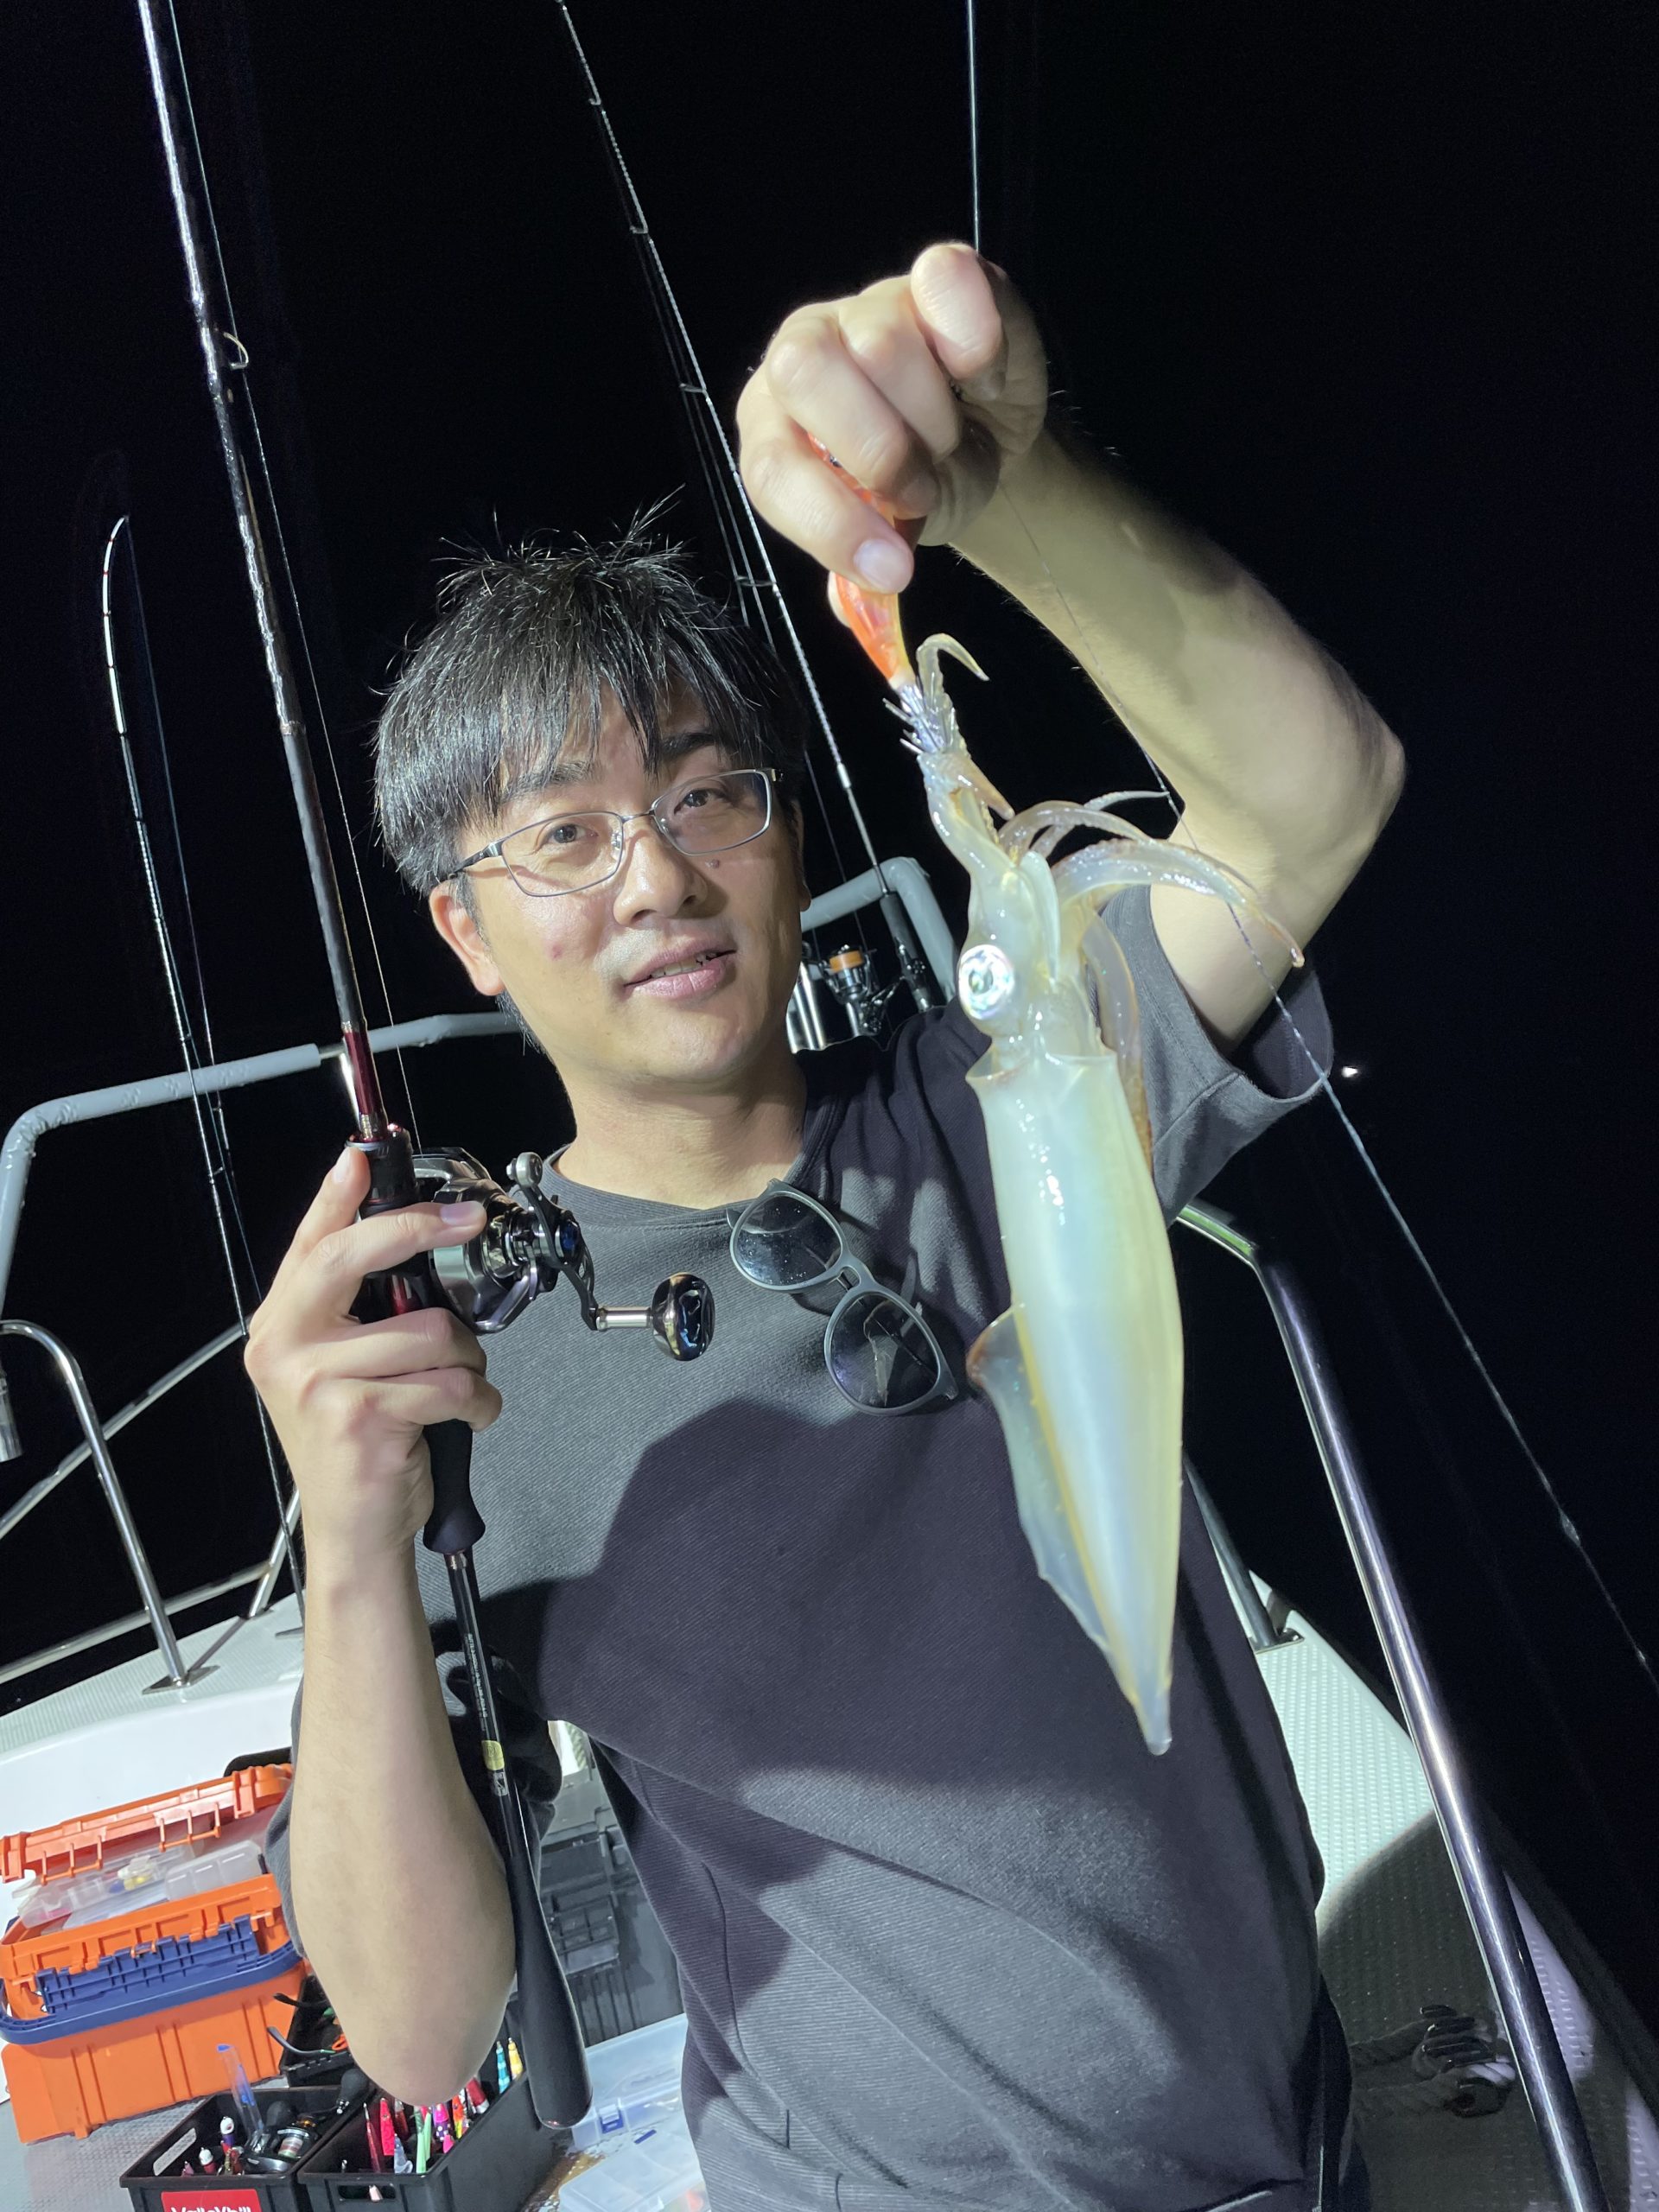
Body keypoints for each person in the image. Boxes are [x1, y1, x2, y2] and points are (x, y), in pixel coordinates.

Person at [251, 245, 1402, 2211]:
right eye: (563, 831)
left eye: (711, 792)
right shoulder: (465, 1381)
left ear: (788, 836)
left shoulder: (1009, 1099)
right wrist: (353, 1546)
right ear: (466, 928)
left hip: (1291, 2156)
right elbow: (427, 2039)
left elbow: (1312, 795)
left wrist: (1002, 491)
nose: (659, 875)